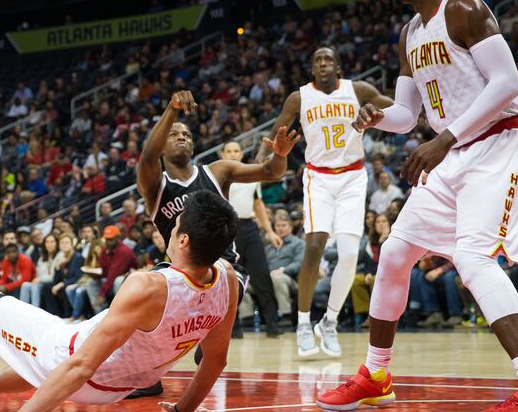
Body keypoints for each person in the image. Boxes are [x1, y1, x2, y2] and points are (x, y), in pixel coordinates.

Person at [317, 0, 518, 410]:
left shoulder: (462, 7)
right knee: (395, 253)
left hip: (500, 141)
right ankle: (377, 373)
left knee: (472, 256)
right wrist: (376, 117)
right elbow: (405, 115)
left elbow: (508, 83)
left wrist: (445, 138)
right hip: (454, 151)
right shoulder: (410, 33)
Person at [0, 190, 239, 412]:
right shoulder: (227, 280)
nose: (170, 230)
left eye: (174, 227)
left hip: (74, 361)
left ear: (183, 240)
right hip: (121, 386)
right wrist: (182, 410)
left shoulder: (147, 286)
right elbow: (215, 359)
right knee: (34, 366)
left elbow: (78, 367)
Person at [131, 90, 297, 398]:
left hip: (225, 269)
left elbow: (272, 172)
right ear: (163, 144)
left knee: (214, 285)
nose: (181, 136)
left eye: (186, 134)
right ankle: (148, 374)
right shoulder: (154, 184)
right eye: (174, 133)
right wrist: (172, 110)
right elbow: (146, 157)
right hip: (178, 272)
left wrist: (281, 154)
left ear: (193, 144)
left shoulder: (217, 171)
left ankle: (206, 335)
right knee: (140, 303)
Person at [255, 46, 393, 357]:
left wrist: (381, 112)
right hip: (318, 177)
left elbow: (394, 110)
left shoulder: (358, 90)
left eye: (328, 59)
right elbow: (278, 131)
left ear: (338, 66)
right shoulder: (299, 97)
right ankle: (303, 323)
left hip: (354, 176)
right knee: (314, 245)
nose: (322, 63)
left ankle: (328, 322)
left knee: (347, 255)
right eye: (317, 59)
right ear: (312, 68)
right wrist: (261, 161)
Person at [221, 140, 282, 337]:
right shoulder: (217, 176)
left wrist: (270, 231)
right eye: (229, 151)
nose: (232, 154)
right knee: (229, 279)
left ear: (240, 154)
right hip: (226, 228)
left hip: (249, 227)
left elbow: (258, 205)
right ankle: (232, 328)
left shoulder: (250, 176)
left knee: (262, 274)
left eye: (236, 151)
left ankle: (272, 325)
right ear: (222, 155)